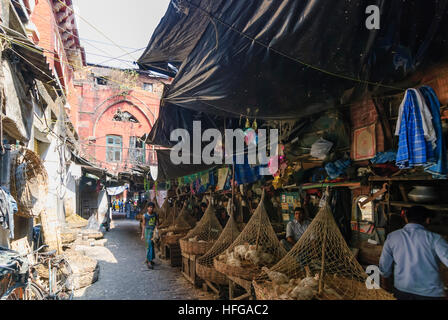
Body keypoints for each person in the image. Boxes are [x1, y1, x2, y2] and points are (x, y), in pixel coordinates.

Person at [379, 206, 448, 300]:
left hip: (402, 291)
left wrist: (385, 286)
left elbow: (384, 265)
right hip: (430, 294)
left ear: (406, 219)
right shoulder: (435, 239)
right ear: (427, 220)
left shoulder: (392, 237)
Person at [141, 202, 159, 269]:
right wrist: (142, 235)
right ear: (147, 208)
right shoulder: (144, 216)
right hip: (147, 232)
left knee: (152, 246)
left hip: (153, 232)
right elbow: (143, 225)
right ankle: (149, 262)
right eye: (149, 207)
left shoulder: (155, 215)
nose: (150, 209)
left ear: (154, 208)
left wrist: (157, 230)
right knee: (149, 246)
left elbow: (157, 222)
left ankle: (150, 259)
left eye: (152, 207)